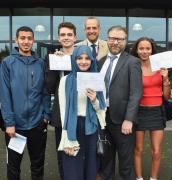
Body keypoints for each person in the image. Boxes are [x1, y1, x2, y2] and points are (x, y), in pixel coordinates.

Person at [0, 26, 51, 180]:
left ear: (33, 40)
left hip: (37, 124)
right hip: (15, 126)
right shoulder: (8, 63)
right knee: (13, 167)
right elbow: (4, 95)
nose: (26, 41)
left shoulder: (41, 63)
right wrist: (9, 122)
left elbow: (45, 91)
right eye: (23, 38)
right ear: (17, 40)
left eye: (29, 38)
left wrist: (46, 116)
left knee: (37, 165)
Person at [98, 25, 142, 180]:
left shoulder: (133, 62)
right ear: (107, 39)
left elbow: (136, 93)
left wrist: (129, 119)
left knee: (125, 165)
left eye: (119, 39)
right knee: (106, 162)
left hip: (123, 122)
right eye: (112, 38)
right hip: (103, 120)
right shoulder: (100, 62)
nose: (115, 42)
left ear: (125, 41)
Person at [58, 45, 106, 180]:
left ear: (92, 60)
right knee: (73, 169)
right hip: (72, 127)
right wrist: (66, 138)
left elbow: (102, 110)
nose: (83, 61)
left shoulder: (98, 79)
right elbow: (63, 111)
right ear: (74, 59)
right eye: (79, 58)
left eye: (87, 58)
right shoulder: (65, 80)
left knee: (90, 168)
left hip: (91, 127)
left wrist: (95, 99)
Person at [130, 37, 171, 180]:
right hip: (139, 111)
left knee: (157, 151)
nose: (144, 51)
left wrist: (165, 79)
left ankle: (154, 178)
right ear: (136, 50)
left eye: (148, 48)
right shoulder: (133, 66)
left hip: (156, 112)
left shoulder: (160, 67)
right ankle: (139, 178)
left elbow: (166, 96)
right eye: (141, 48)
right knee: (138, 149)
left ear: (152, 50)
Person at [45, 22, 77, 179]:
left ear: (75, 37)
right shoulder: (52, 58)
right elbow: (50, 87)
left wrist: (70, 61)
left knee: (79, 152)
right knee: (62, 153)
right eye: (63, 35)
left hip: (79, 113)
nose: (66, 37)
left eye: (69, 34)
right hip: (60, 113)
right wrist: (54, 64)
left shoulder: (82, 56)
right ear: (59, 38)